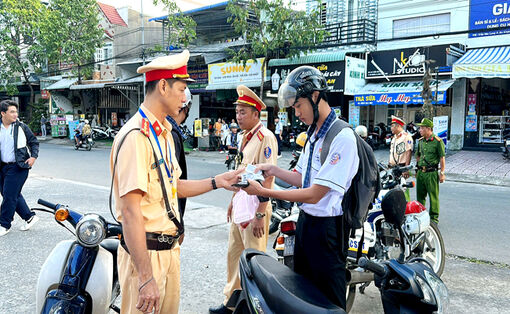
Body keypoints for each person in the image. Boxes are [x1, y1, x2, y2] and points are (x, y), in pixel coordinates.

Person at [110, 50, 241, 314]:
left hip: (169, 252)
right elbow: (130, 211)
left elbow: (175, 187)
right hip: (146, 257)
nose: (185, 98)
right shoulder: (136, 136)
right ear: (162, 86)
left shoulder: (165, 134)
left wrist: (218, 181)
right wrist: (146, 277)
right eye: (181, 89)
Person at [241, 66, 359, 310]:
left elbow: (315, 193)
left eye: (298, 106)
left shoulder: (342, 138)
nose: (296, 113)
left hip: (328, 231)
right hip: (306, 224)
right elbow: (300, 177)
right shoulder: (314, 134)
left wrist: (265, 192)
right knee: (304, 296)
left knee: (329, 303)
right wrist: (272, 170)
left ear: (315, 97)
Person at [209, 85, 278, 314]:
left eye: (243, 112)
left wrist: (260, 214)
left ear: (256, 114)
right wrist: (232, 201)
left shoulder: (265, 137)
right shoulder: (245, 137)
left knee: (252, 261)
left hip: (256, 208)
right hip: (241, 205)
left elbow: (267, 180)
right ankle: (231, 303)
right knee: (234, 255)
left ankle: (252, 306)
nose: (238, 117)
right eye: (237, 112)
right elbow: (241, 173)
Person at [0, 100, 40, 236]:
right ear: (3, 113)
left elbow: (34, 142)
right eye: (12, 112)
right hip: (2, 167)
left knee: (9, 196)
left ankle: (4, 224)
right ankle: (29, 217)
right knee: (10, 194)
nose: (15, 114)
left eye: (16, 111)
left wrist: (33, 157)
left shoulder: (21, 127)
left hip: (19, 166)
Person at [167, 87, 192, 244]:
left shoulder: (166, 130)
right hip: (166, 224)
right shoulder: (171, 134)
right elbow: (173, 185)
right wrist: (178, 221)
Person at [415, 118, 445, 224]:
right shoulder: (420, 141)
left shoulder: (438, 141)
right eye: (420, 128)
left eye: (422, 128)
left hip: (431, 173)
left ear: (428, 129)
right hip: (421, 173)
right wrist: (417, 169)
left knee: (433, 196)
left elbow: (442, 158)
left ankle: (433, 219)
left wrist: (442, 173)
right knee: (420, 197)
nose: (420, 130)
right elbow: (418, 156)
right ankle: (420, 216)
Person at [388, 115, 414, 200]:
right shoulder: (394, 138)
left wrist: (406, 169)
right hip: (394, 168)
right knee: (394, 191)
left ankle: (406, 210)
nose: (391, 128)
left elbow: (408, 152)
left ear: (398, 126)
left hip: (402, 167)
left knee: (404, 191)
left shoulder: (406, 137)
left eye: (392, 126)